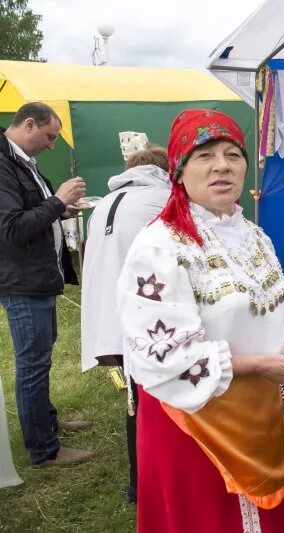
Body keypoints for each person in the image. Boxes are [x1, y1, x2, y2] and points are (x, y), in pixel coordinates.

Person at [118, 109, 284, 532]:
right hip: (194, 424)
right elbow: (161, 355)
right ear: (179, 171)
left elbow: (267, 307)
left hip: (256, 412)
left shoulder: (252, 235)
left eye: (232, 154)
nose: (222, 165)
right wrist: (256, 365)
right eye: (205, 156)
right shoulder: (160, 246)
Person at [0, 102, 93, 467]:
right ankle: (43, 449)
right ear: (28, 124)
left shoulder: (21, 161)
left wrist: (60, 210)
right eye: (50, 136)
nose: (52, 144)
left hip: (36, 278)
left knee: (41, 359)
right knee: (33, 365)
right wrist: (57, 200)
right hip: (23, 282)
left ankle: (48, 423)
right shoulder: (4, 165)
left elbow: (29, 216)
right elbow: (11, 230)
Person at [81, 145, 171, 502]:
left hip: (109, 314)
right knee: (153, 403)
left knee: (137, 400)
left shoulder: (105, 201)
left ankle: (141, 481)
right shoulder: (161, 198)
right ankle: (144, 482)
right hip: (146, 316)